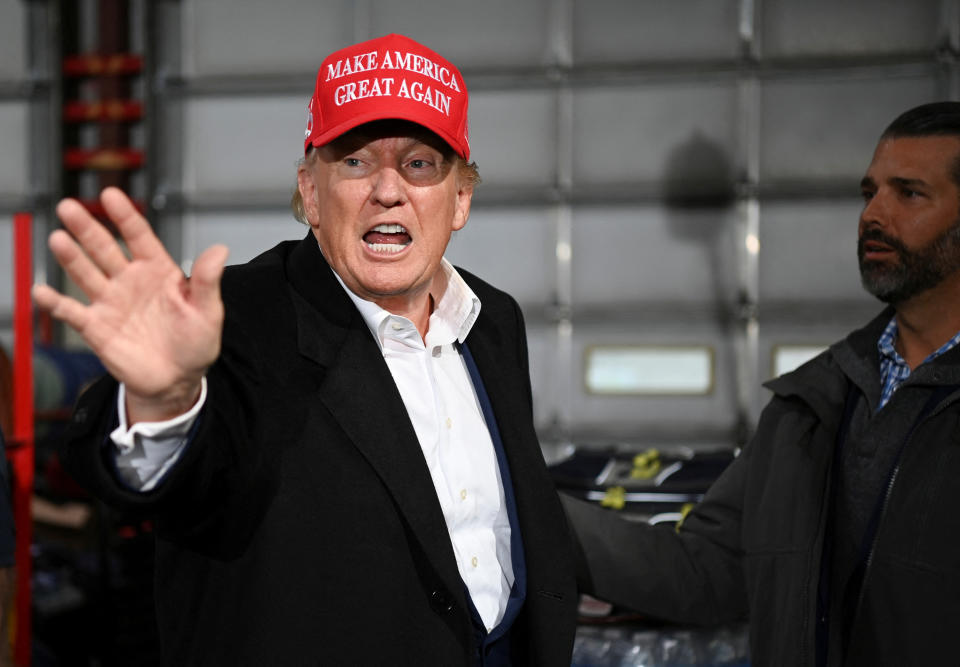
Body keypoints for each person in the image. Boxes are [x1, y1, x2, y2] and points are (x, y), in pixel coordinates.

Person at [33, 33, 577, 666]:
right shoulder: (233, 317)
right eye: (354, 161)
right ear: (311, 194)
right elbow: (166, 475)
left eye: (420, 163)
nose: (388, 190)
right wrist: (165, 397)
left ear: (460, 199)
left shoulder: (494, 321)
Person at [562, 100, 960, 666]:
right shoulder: (813, 405)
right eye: (869, 192)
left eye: (909, 193)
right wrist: (526, 503)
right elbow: (704, 573)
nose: (875, 213)